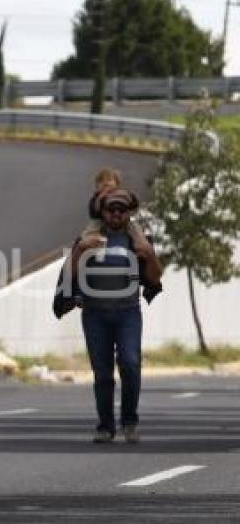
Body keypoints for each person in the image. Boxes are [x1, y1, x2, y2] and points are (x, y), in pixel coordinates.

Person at [70, 188, 163, 444]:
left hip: (127, 313)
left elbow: (155, 278)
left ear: (129, 213)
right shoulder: (89, 237)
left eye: (121, 210)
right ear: (103, 212)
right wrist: (80, 251)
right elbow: (69, 276)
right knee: (102, 373)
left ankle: (130, 421)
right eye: (111, 210)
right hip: (95, 314)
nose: (116, 215)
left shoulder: (139, 241)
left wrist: (149, 255)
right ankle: (105, 426)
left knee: (131, 364)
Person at [81, 167, 148, 251]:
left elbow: (134, 204)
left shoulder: (122, 193)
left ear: (117, 183)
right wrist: (100, 198)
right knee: (91, 230)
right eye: (101, 182)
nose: (105, 183)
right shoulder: (96, 197)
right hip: (101, 222)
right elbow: (93, 213)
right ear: (97, 186)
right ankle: (89, 246)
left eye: (109, 180)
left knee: (135, 228)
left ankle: (141, 246)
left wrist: (130, 200)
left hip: (124, 222)